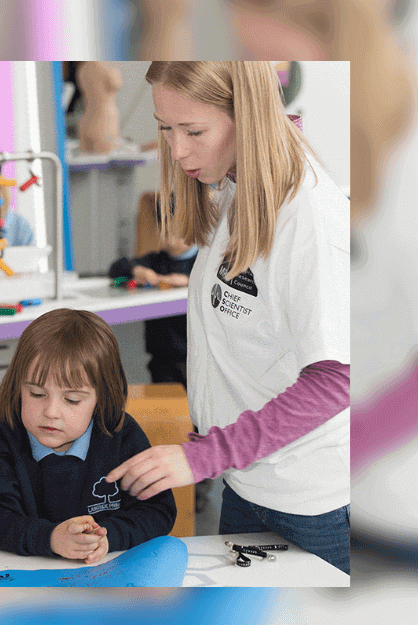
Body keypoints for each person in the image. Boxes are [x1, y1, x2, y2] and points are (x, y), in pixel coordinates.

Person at [107, 61, 350, 573]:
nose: (176, 151)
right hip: (245, 480)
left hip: (306, 500)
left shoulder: (308, 214)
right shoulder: (239, 183)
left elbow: (336, 380)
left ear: (252, 116)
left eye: (194, 131)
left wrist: (201, 457)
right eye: (165, 128)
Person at [0, 309, 177, 563]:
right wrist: (51, 538)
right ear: (18, 385)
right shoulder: (0, 437)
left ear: (101, 397)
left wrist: (109, 537)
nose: (51, 412)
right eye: (37, 394)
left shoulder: (122, 434)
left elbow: (159, 511)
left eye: (71, 399)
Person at [109, 191, 198, 388]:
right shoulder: (155, 261)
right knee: (166, 408)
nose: (171, 237)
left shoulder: (205, 262)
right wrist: (137, 269)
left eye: (177, 230)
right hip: (161, 356)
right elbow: (116, 268)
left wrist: (190, 280)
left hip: (197, 356)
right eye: (165, 230)